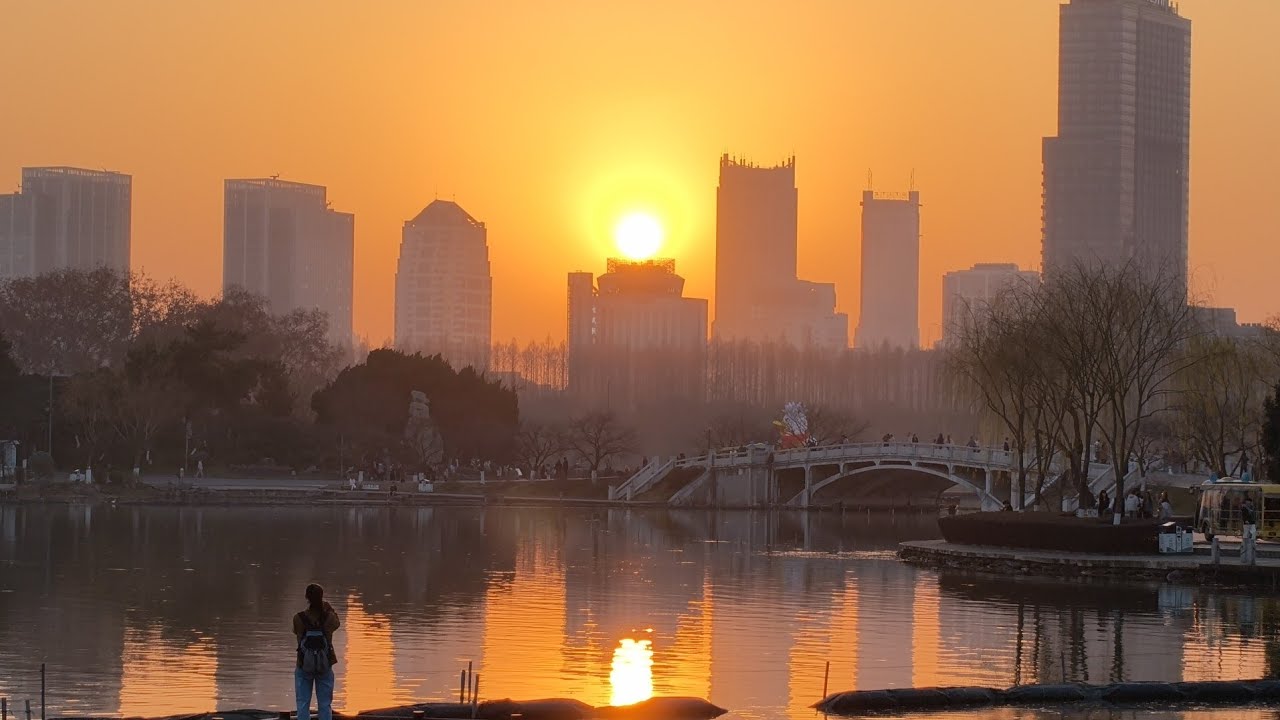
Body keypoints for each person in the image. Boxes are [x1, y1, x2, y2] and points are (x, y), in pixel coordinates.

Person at [294, 583, 341, 720]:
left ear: (306, 597)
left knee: (303, 703)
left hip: (303, 665)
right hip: (324, 665)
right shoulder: (329, 618)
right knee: (325, 704)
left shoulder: (298, 618)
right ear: (322, 597)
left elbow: (295, 631)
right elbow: (337, 623)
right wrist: (329, 608)